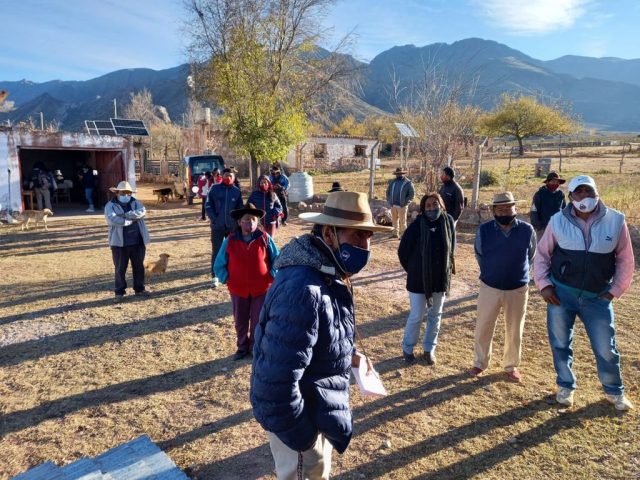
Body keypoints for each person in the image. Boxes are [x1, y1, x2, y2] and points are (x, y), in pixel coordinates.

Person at [251, 191, 392, 479]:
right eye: (357, 236)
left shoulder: (327, 272)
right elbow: (274, 386)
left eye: (369, 237)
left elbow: (312, 341)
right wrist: (304, 438)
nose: (365, 246)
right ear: (329, 233)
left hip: (317, 413)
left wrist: (347, 355)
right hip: (303, 427)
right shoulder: (304, 289)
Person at [534, 175, 634, 411]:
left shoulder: (616, 221)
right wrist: (544, 285)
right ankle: (565, 386)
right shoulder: (557, 221)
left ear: (597, 193)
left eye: (588, 192)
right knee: (560, 343)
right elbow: (542, 255)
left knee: (605, 347)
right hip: (561, 293)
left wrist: (614, 291)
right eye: (578, 193)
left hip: (597, 297)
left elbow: (625, 260)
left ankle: (614, 391)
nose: (584, 198)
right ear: (570, 197)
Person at [470, 192, 536, 382]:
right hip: (490, 286)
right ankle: (479, 362)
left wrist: (516, 272)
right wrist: (493, 271)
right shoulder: (484, 231)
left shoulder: (527, 230)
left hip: (517, 288)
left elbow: (531, 256)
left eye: (509, 207)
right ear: (493, 211)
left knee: (515, 328)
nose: (505, 211)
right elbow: (479, 255)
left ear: (515, 208)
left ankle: (511, 365)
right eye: (501, 208)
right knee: (483, 326)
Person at [214, 204, 279, 360]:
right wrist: (227, 279)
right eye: (246, 219)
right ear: (239, 222)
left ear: (257, 222)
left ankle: (255, 348)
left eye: (253, 219)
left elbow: (277, 259)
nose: (250, 222)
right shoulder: (230, 240)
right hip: (238, 289)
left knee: (258, 321)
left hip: (261, 288)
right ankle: (242, 348)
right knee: (240, 321)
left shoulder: (264, 238)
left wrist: (271, 275)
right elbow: (219, 263)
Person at [398, 193, 456, 365]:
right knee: (416, 315)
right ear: (423, 209)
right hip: (418, 280)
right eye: (428, 206)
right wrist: (415, 269)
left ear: (441, 205)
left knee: (435, 315)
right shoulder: (416, 227)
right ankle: (408, 348)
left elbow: (452, 247)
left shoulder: (448, 223)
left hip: (440, 279)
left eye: (435, 204)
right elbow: (403, 252)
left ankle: (429, 349)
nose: (432, 208)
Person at [104, 181, 150, 302]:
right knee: (120, 268)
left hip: (138, 242)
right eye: (123, 193)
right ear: (117, 193)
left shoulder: (136, 202)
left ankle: (139, 289)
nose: (126, 195)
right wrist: (128, 221)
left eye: (128, 193)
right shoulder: (110, 205)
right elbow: (112, 219)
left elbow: (142, 212)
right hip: (119, 244)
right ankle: (119, 292)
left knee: (139, 267)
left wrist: (125, 215)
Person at [205, 167, 243, 288]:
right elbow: (208, 205)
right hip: (217, 227)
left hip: (232, 227)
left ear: (234, 178)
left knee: (233, 251)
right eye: (226, 175)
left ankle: (231, 273)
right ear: (222, 176)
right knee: (216, 251)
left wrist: (238, 223)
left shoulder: (236, 191)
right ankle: (215, 276)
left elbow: (240, 208)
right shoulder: (215, 188)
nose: (228, 178)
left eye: (230, 176)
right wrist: (215, 219)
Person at [530, 171, 566, 237]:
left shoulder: (561, 195)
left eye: (557, 182)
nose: (555, 183)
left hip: (557, 229)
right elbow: (534, 211)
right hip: (543, 229)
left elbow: (564, 211)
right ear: (547, 182)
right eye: (553, 181)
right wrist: (539, 227)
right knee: (542, 247)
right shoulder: (540, 194)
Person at [386, 167, 415, 238]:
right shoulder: (392, 182)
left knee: (403, 221)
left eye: (400, 174)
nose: (398, 175)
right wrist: (389, 201)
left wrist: (406, 202)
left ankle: (403, 235)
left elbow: (412, 194)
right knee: (394, 220)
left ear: (403, 174)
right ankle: (395, 233)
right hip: (393, 205)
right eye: (397, 174)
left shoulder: (408, 183)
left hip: (402, 205)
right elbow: (388, 191)